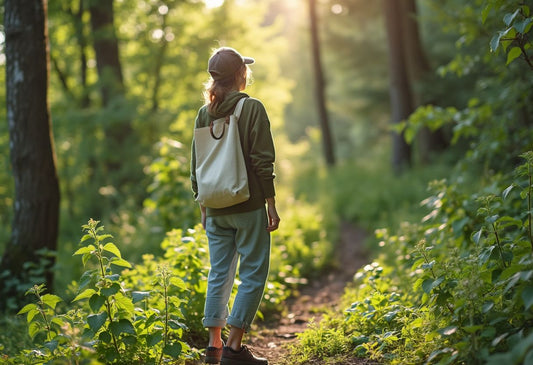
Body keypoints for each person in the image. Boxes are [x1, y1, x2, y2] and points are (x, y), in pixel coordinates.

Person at [190, 47, 280, 365]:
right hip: (248, 204)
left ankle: (213, 347)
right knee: (253, 271)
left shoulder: (204, 113)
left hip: (214, 207)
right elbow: (262, 160)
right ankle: (234, 347)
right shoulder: (251, 108)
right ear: (240, 75)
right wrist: (270, 202)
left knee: (219, 273)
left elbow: (197, 164)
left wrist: (203, 204)